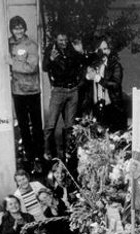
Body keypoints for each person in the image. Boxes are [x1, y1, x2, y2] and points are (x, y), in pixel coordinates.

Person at [42, 32, 87, 160]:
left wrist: (81, 51)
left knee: (70, 125)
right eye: (61, 40)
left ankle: (69, 152)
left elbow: (82, 62)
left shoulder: (71, 49)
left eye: (65, 40)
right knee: (51, 123)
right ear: (56, 39)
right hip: (58, 90)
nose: (63, 42)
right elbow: (45, 67)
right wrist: (50, 59)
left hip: (72, 90)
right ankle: (46, 151)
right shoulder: (51, 49)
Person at [8, 16, 44, 168]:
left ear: (25, 28)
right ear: (11, 29)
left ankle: (40, 156)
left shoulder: (31, 45)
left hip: (32, 90)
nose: (19, 31)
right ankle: (29, 157)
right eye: (16, 28)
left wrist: (12, 63)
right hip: (17, 91)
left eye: (21, 27)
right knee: (23, 126)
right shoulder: (7, 44)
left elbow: (31, 67)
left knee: (36, 125)